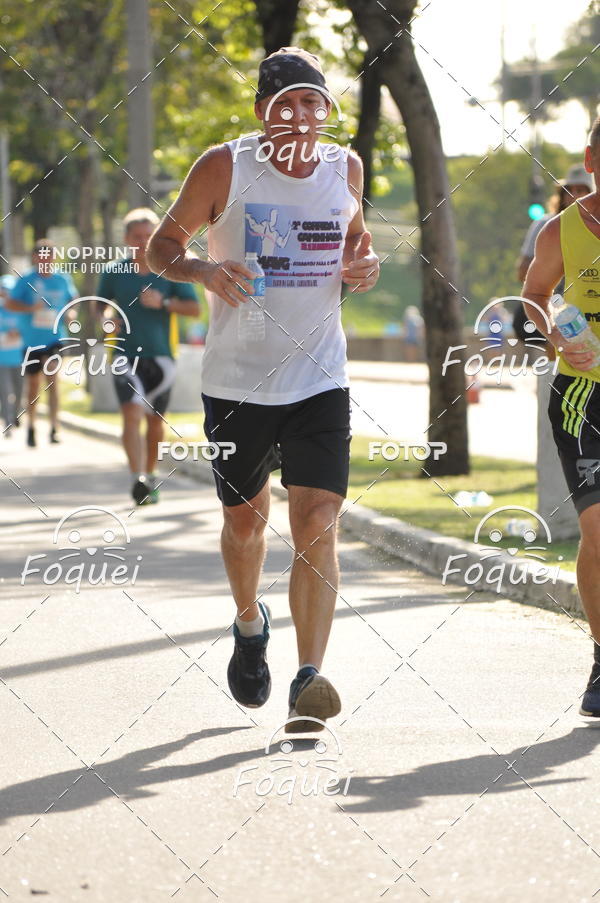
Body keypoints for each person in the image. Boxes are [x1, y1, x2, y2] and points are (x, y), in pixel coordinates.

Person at [146, 47, 380, 730]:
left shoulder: (346, 167)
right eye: (285, 103)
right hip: (238, 382)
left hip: (320, 378)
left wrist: (362, 263)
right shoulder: (225, 166)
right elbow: (159, 247)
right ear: (261, 111)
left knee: (317, 520)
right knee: (245, 523)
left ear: (325, 110)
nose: (300, 115)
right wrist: (203, 271)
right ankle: (250, 624)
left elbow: (356, 241)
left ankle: (309, 676)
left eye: (312, 101)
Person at [522, 119, 600, 717]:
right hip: (583, 396)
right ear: (591, 160)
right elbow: (533, 296)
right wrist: (555, 336)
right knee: (598, 530)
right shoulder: (561, 229)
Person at [98, 208, 199, 506]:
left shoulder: (170, 269)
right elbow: (100, 305)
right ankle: (137, 479)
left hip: (161, 357)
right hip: (124, 354)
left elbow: (194, 309)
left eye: (148, 235)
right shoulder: (114, 271)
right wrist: (107, 318)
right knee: (131, 412)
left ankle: (151, 475)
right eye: (136, 236)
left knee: (155, 422)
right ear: (126, 239)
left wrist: (163, 302)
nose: (142, 241)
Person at [7, 239, 78, 447]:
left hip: (55, 338)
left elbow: (72, 301)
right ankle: (31, 426)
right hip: (31, 340)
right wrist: (31, 309)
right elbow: (10, 303)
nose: (46, 261)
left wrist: (71, 314)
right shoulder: (26, 279)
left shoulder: (62, 279)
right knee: (33, 385)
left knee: (53, 380)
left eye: (50, 256)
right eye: (42, 257)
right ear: (35, 258)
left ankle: (54, 427)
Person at [514, 164, 593, 344]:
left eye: (581, 190)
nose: (574, 195)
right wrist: (550, 268)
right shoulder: (546, 224)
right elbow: (521, 272)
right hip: (556, 306)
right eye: (569, 190)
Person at [0, 274, 24, 436]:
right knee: (5, 392)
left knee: (19, 391)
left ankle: (15, 414)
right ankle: (8, 424)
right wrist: (6, 336)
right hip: (2, 360)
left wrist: (19, 334)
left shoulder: (20, 311)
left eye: (9, 290)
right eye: (4, 290)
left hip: (20, 359)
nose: (6, 294)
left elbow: (28, 331)